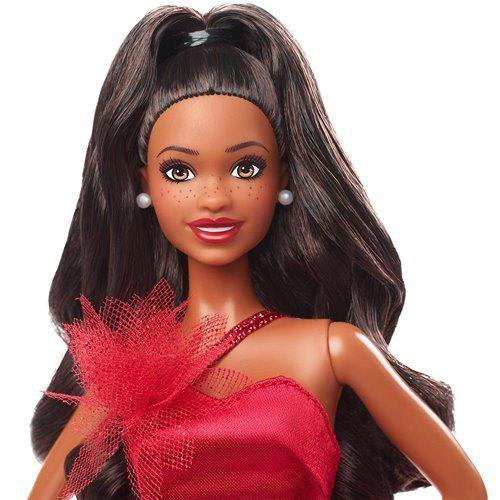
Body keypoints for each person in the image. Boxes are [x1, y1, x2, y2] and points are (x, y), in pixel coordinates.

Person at [29, 4, 487, 499]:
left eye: (245, 168)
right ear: (144, 187)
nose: (214, 198)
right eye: (179, 172)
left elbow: (467, 488)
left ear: (282, 178)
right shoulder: (128, 370)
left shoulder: (335, 351)